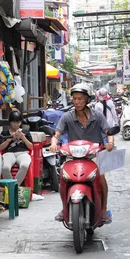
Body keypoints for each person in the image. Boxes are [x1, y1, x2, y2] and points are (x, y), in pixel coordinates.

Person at [50, 83, 115, 224]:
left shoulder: (97, 116)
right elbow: (57, 133)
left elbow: (108, 132)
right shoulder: (67, 117)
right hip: (73, 157)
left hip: (94, 156)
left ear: (87, 100)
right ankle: (64, 209)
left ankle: (103, 209)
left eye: (80, 99)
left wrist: (110, 142)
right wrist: (54, 143)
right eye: (74, 99)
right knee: (63, 177)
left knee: (101, 178)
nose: (77, 102)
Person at [0, 110, 33, 186]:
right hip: (9, 153)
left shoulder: (25, 131)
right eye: (13, 122)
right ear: (10, 122)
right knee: (5, 168)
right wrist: (9, 139)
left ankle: (14, 187)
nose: (16, 125)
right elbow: (0, 148)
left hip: (23, 153)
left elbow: (31, 147)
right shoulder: (4, 133)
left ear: (20, 122)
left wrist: (23, 137)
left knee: (24, 165)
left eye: (18, 122)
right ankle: (10, 187)